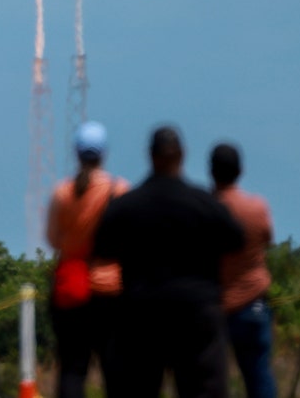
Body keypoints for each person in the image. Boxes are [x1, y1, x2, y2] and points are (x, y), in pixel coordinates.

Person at [93, 125, 245, 398]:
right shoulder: (204, 204)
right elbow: (236, 241)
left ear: (150, 156)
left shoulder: (126, 206)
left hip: (142, 314)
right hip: (197, 312)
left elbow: (102, 249)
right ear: (183, 155)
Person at [46, 121, 130, 398]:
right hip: (111, 290)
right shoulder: (119, 191)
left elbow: (52, 239)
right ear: (104, 154)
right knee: (116, 370)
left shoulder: (63, 193)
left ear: (77, 153)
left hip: (72, 291)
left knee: (72, 370)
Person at [210, 143, 276, 398]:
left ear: (212, 172)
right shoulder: (257, 207)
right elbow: (268, 238)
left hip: (217, 306)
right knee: (259, 376)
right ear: (241, 171)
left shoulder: (208, 210)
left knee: (210, 380)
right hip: (253, 303)